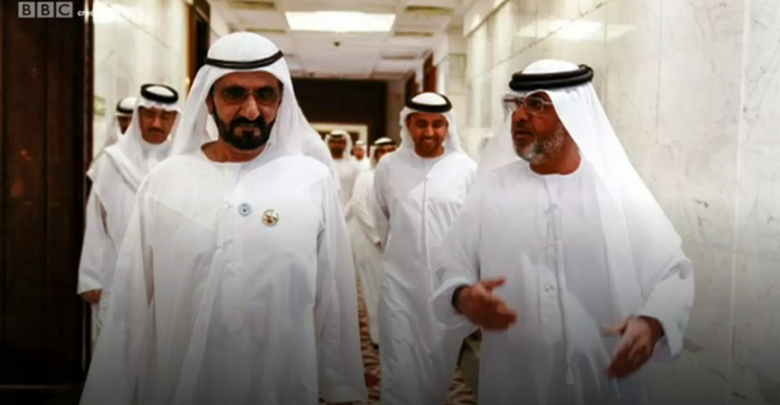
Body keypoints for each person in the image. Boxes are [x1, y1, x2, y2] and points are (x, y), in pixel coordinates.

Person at [78, 32, 366, 405]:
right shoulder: (166, 180)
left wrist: (340, 384)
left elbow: (334, 293)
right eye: (234, 94)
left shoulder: (312, 180)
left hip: (280, 385)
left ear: (281, 101)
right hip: (180, 384)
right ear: (209, 100)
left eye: (265, 94)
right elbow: (131, 301)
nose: (251, 111)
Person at [431, 60, 695, 405]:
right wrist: (464, 297)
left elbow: (673, 273)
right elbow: (451, 266)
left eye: (536, 104)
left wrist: (652, 323)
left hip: (606, 381)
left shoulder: (616, 191)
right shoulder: (490, 190)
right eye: (515, 104)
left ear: (572, 114)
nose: (519, 116)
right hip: (516, 381)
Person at [371, 92, 477, 405]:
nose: (429, 132)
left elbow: (473, 228)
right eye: (421, 124)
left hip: (446, 289)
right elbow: (381, 218)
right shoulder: (389, 166)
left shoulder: (466, 169)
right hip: (399, 286)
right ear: (408, 124)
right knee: (398, 369)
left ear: (448, 126)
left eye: (437, 124)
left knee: (437, 370)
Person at [77, 85, 180, 348]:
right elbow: (96, 221)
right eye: (149, 114)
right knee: (116, 350)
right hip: (118, 273)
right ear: (138, 116)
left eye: (165, 116)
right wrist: (90, 276)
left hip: (171, 277)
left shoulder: (184, 164)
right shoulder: (112, 161)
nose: (156, 123)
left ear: (175, 120)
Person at [344, 137, 397, 346]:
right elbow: (360, 207)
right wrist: (378, 237)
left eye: (391, 150)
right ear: (375, 154)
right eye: (382, 150)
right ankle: (378, 336)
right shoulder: (365, 178)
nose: (386, 154)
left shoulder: (402, 177)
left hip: (400, 245)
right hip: (371, 243)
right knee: (374, 289)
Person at [88, 96, 137, 180]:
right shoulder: (108, 154)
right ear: (118, 119)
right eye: (124, 119)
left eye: (133, 120)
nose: (128, 124)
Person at [326, 129, 361, 208]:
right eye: (333, 142)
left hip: (347, 210)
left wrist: (346, 210)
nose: (336, 145)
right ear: (328, 143)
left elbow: (356, 192)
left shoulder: (353, 166)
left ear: (345, 144)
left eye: (340, 142)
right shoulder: (323, 165)